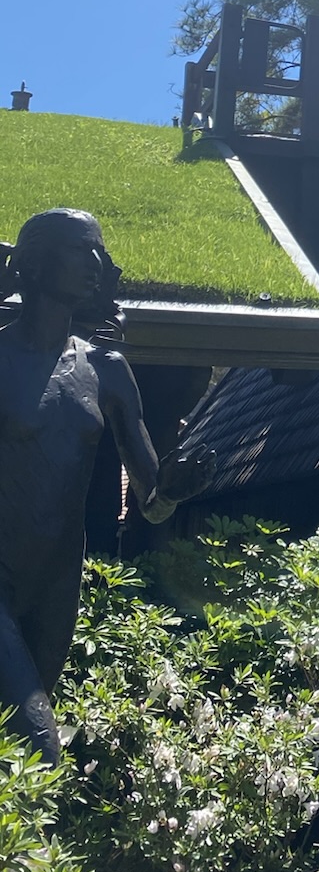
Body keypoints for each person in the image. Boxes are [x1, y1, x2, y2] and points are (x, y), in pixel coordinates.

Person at [0, 209, 214, 761]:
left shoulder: (107, 369)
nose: (97, 264)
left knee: (13, 749)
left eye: (100, 252)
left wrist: (171, 488)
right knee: (38, 746)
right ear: (37, 261)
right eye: (81, 249)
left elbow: (150, 500)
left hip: (55, 581)